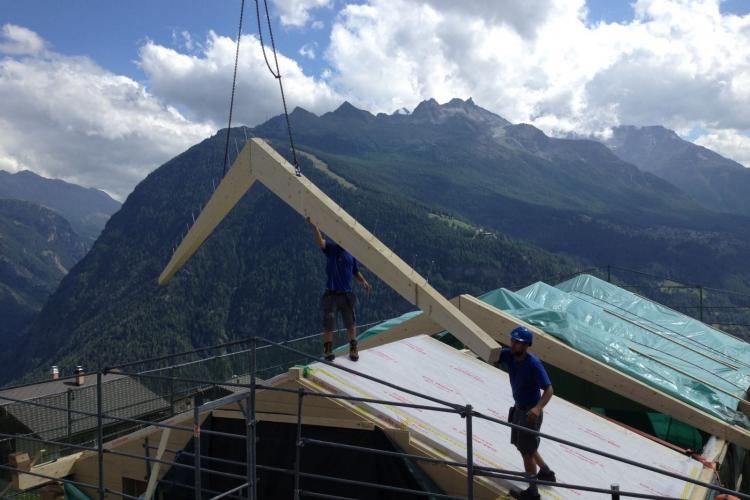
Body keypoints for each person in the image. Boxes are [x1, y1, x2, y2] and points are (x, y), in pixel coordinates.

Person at [497, 326, 556, 500]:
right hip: (518, 408)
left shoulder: (533, 363)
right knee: (522, 445)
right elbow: (489, 350)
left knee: (526, 452)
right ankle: (546, 473)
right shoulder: (509, 355)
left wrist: (538, 408)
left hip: (530, 412)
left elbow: (549, 389)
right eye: (513, 341)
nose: (514, 344)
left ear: (526, 345)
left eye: (518, 342)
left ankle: (533, 492)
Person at [307, 217, 372, 362]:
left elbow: (355, 271)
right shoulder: (332, 249)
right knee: (329, 324)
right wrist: (315, 228)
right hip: (332, 294)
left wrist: (364, 282)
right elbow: (320, 242)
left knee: (350, 324)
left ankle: (353, 349)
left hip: (346, 295)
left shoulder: (350, 254)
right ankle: (328, 351)